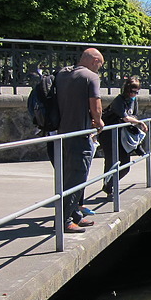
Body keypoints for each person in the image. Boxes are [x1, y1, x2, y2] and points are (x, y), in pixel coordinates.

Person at [55, 48, 104, 233]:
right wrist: (99, 122)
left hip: (61, 133)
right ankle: (65, 221)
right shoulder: (90, 77)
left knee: (67, 176)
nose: (99, 69)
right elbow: (96, 105)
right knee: (77, 177)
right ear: (94, 61)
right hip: (79, 134)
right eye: (100, 65)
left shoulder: (62, 75)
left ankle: (75, 215)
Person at [99, 76, 148, 198]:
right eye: (132, 91)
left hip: (121, 135)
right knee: (111, 161)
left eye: (136, 92)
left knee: (125, 165)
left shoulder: (134, 100)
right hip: (109, 134)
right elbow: (125, 117)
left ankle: (109, 184)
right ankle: (109, 188)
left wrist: (137, 122)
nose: (134, 94)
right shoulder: (119, 100)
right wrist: (140, 123)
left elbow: (134, 116)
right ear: (126, 90)